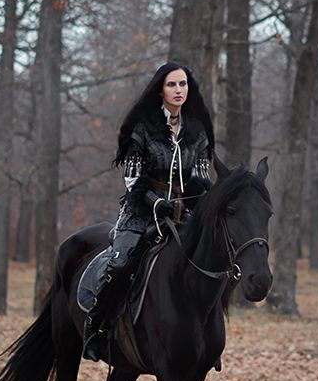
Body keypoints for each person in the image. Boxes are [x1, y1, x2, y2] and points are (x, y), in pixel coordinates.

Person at [79, 61, 216, 360]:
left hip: (185, 215)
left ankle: (209, 338)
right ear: (160, 90)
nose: (178, 90)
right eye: (171, 85)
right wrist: (156, 202)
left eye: (182, 84)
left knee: (213, 261)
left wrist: (201, 202)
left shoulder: (198, 131)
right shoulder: (143, 128)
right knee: (119, 265)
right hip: (141, 213)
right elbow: (133, 181)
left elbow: (203, 177)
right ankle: (98, 332)